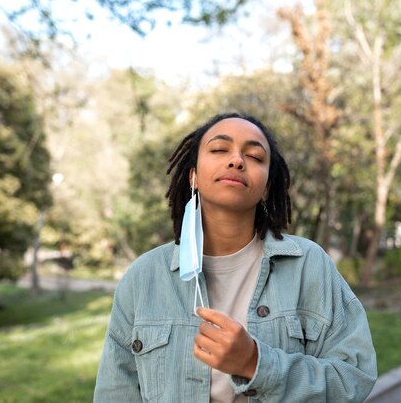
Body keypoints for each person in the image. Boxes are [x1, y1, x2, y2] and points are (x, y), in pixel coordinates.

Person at [94, 112, 377, 402]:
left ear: (266, 187)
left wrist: (254, 363)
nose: (237, 160)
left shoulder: (309, 265)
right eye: (219, 149)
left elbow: (353, 379)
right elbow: (115, 392)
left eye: (254, 156)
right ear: (193, 176)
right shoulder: (144, 277)